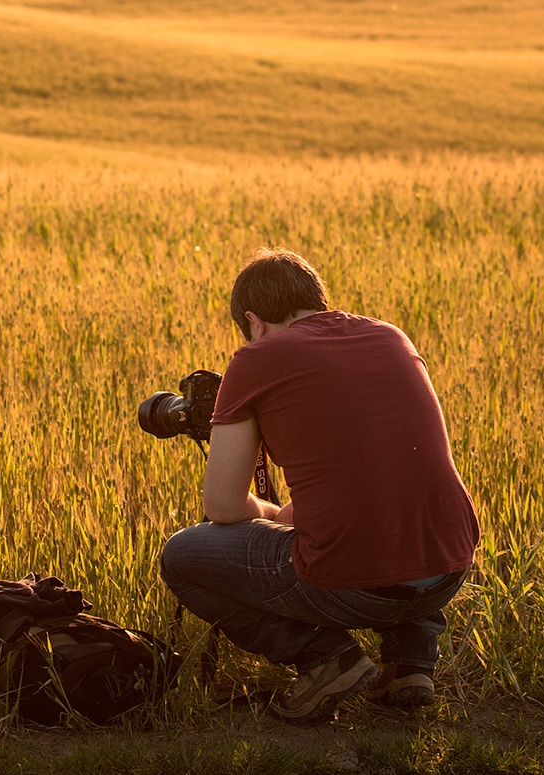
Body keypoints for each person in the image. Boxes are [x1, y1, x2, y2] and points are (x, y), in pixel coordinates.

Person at [160, 247, 480, 723]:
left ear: (253, 321)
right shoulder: (391, 337)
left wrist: (271, 517)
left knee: (182, 556)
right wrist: (296, 515)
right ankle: (411, 662)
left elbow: (223, 506)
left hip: (354, 586)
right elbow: (383, 471)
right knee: (401, 505)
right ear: (316, 301)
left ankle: (327, 660)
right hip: (447, 571)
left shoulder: (256, 357)